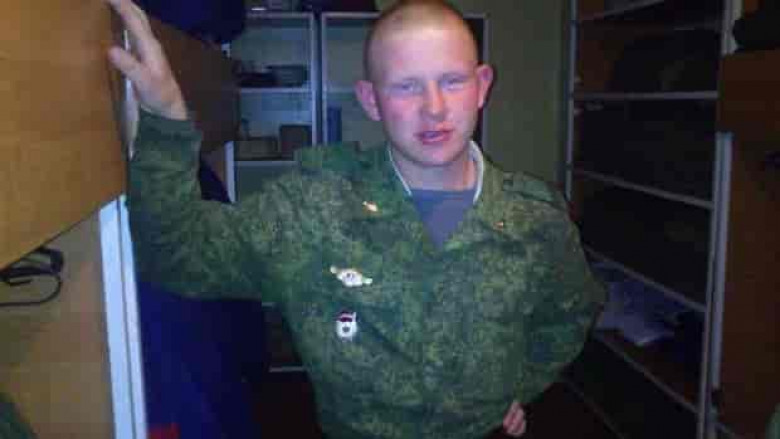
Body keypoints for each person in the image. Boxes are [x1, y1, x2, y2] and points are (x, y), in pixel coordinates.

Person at [107, 0, 605, 437]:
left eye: (452, 81)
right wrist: (167, 122)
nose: (434, 109)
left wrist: (517, 383)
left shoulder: (535, 219)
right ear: (371, 100)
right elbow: (175, 255)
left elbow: (570, 313)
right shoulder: (312, 211)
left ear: (481, 86)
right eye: (407, 87)